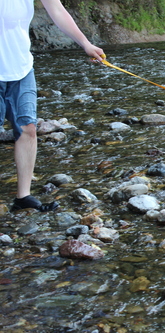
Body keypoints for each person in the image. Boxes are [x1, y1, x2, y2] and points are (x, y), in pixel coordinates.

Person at [0, 0, 105, 212]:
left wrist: (85, 43)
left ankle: (23, 197)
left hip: (21, 68)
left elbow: (57, 11)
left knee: (28, 129)